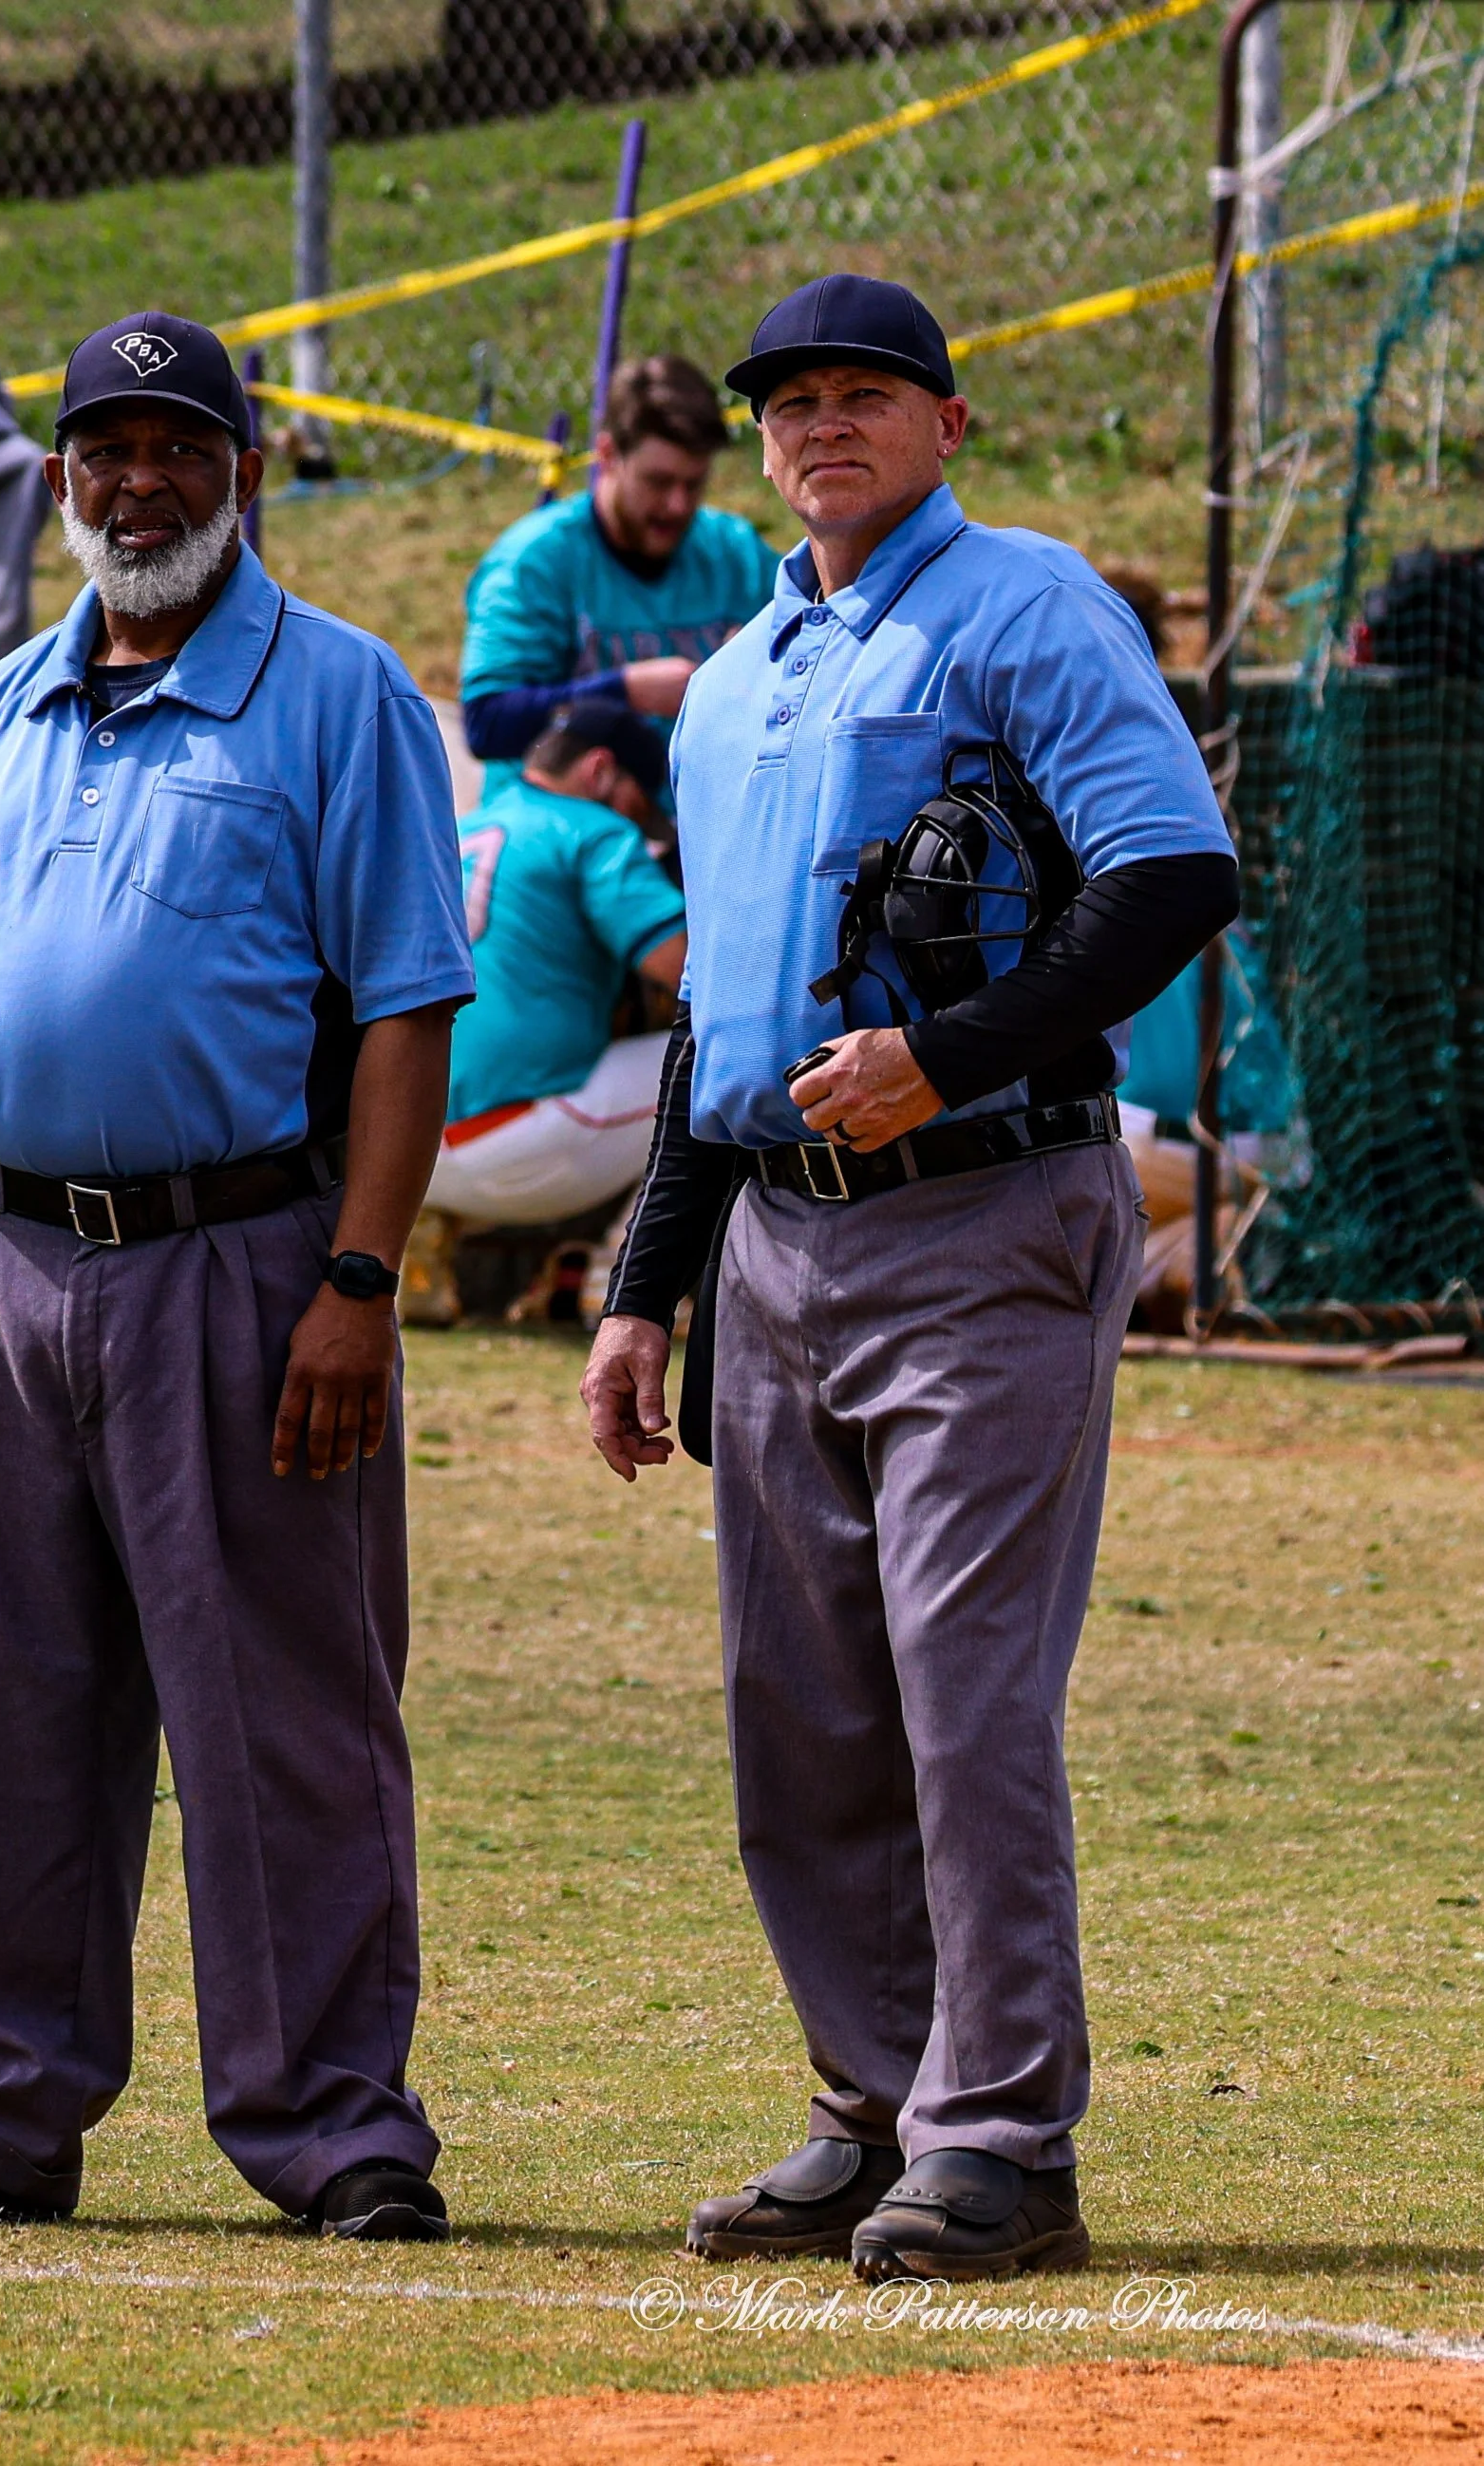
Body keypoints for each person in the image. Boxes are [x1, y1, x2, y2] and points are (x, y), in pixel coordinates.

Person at [0, 312, 474, 2244]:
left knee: (288, 1712)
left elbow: (412, 1014)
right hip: (5, 1262)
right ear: (63, 477)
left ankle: (337, 2124)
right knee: (4, 1703)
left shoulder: (338, 697)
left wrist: (360, 1272)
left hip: (242, 1263)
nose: (141, 484)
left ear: (243, 471)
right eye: (106, 451)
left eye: (182, 448)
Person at [579, 273, 1240, 2282]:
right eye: (793, 400)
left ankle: (1002, 2137)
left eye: (869, 393)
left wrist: (955, 1051)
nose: (823, 424)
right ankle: (871, 2109)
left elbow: (1173, 872)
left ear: (950, 421)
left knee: (962, 1697)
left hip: (984, 1212)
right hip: (778, 1235)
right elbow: (728, 1022)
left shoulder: (1028, 605)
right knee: (806, 1708)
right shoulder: (752, 668)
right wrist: (644, 1279)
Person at [405, 698, 686, 1327]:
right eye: (640, 798)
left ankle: (422, 1249)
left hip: (409, 1149)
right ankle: (625, 1274)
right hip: (523, 1143)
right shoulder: (592, 829)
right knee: (723, 1059)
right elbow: (689, 968)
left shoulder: (462, 825)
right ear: (600, 771)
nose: (643, 817)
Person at [459, 354, 777, 803]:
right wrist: (624, 691)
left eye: (694, 484)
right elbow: (486, 723)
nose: (677, 506)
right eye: (658, 481)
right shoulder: (535, 563)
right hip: (560, 843)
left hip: (685, 831)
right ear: (607, 456)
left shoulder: (735, 554)